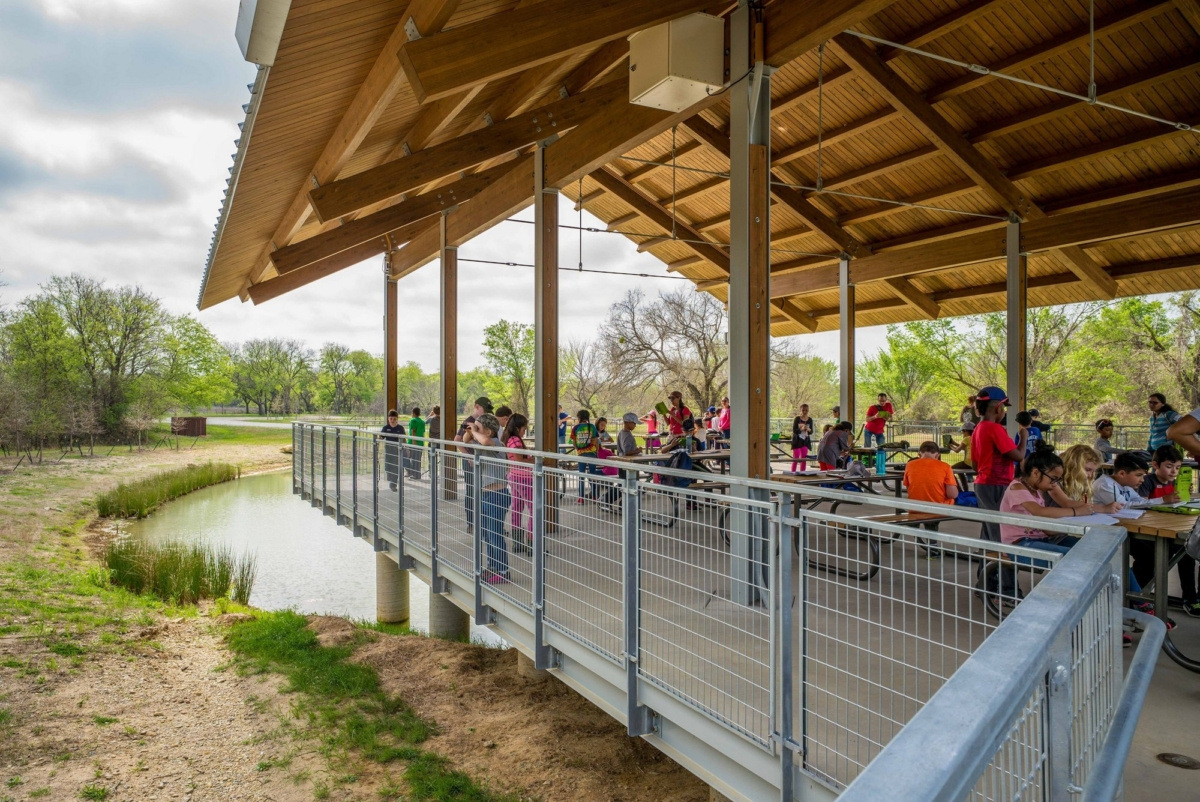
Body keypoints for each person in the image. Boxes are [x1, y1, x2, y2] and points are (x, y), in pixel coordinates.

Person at [1000, 445, 1114, 554]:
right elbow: (1040, 512)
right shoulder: (1017, 487)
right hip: (1020, 543)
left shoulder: (1037, 490)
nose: (1055, 484)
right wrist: (1076, 512)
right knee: (1074, 556)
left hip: (1043, 539)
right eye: (1053, 479)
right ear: (1035, 473)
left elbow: (1047, 530)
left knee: (1094, 550)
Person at [971, 386, 1029, 543]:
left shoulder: (977, 429)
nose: (1004, 411)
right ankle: (1000, 565)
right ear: (997, 408)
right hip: (997, 484)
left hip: (983, 484)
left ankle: (985, 565)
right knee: (1000, 531)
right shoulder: (995, 429)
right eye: (1003, 407)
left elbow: (974, 465)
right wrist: (1024, 437)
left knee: (989, 528)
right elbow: (1018, 455)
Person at [469, 413, 510, 583]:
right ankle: (492, 566)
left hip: (497, 495)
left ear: (489, 431)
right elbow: (464, 440)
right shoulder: (483, 443)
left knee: (495, 534)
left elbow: (485, 441)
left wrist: (474, 430)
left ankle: (503, 571)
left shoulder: (496, 444)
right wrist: (472, 430)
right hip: (485, 494)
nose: (475, 431)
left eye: (479, 428)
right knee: (486, 534)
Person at [456, 396, 494, 529]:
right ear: (477, 407)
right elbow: (457, 440)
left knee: (483, 491)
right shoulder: (469, 421)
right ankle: (471, 523)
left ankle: (483, 523)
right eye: (485, 409)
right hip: (471, 461)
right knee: (472, 491)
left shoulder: (484, 420)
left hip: (481, 461)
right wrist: (468, 457)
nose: (487, 412)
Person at [502, 413, 533, 555]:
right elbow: (520, 460)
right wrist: (537, 460)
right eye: (523, 428)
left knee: (517, 508)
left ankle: (518, 544)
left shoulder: (509, 439)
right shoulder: (516, 441)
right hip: (524, 477)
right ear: (517, 428)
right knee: (535, 511)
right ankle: (532, 544)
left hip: (513, 476)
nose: (524, 431)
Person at [571, 409, 601, 501]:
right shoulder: (592, 426)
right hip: (592, 453)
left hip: (581, 454)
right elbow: (596, 441)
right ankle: (595, 496)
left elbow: (574, 442)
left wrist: (578, 450)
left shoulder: (575, 428)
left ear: (579, 417)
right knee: (592, 475)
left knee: (581, 475)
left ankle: (581, 497)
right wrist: (597, 452)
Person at [381, 410, 405, 492]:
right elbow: (381, 436)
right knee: (387, 467)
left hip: (396, 450)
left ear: (397, 419)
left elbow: (403, 439)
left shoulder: (400, 428)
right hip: (388, 449)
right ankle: (391, 477)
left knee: (395, 467)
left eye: (394, 419)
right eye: (391, 419)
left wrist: (406, 449)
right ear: (388, 419)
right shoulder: (386, 428)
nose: (392, 421)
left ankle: (393, 484)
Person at [791, 404, 814, 472]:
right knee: (796, 458)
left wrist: (808, 429)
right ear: (800, 410)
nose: (804, 412)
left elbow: (811, 431)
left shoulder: (810, 419)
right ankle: (793, 472)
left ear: (808, 410)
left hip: (805, 440)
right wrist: (801, 429)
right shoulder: (797, 419)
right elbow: (794, 430)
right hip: (797, 440)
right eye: (803, 410)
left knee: (803, 458)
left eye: (806, 410)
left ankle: (802, 472)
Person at [405, 407, 425, 479]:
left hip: (413, 443)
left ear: (413, 413)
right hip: (420, 443)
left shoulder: (413, 421)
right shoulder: (422, 422)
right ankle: (417, 474)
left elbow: (413, 431)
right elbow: (422, 432)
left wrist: (414, 443)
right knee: (418, 459)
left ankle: (414, 474)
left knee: (413, 459)